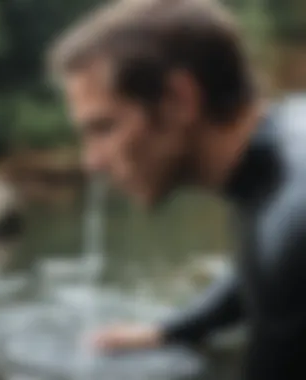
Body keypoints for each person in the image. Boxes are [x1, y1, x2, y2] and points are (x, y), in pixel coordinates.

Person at [50, 0, 306, 379]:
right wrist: (170, 332)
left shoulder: (292, 225)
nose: (92, 162)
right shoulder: (287, 132)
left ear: (178, 101)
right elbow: (256, 269)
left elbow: (280, 261)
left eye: (104, 128)